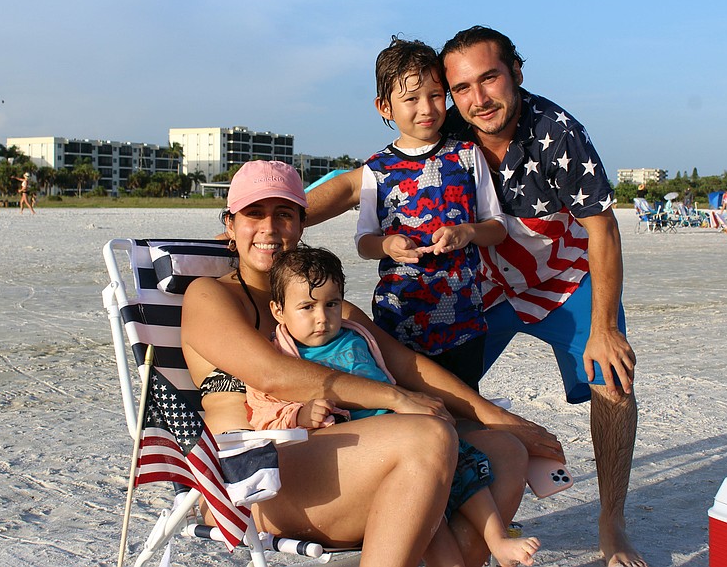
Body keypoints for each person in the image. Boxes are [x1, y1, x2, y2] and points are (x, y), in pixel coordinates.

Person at [305, 26, 645, 567]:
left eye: (490, 79)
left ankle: (613, 522)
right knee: (436, 390)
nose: (477, 98)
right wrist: (271, 221)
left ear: (517, 73)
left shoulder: (557, 132)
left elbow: (602, 227)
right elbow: (353, 185)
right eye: (461, 87)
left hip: (563, 276)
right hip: (486, 285)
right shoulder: (448, 119)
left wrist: (603, 328)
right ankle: (436, 505)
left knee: (613, 378)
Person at [183, 160, 562, 567]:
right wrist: (395, 398)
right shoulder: (209, 296)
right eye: (253, 214)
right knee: (429, 436)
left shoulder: (331, 308)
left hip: (340, 455)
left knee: (505, 452)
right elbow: (273, 374)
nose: (269, 228)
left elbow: (407, 365)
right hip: (255, 477)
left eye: (284, 215)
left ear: (302, 224)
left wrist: (498, 418)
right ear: (230, 224)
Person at [247, 246, 541, 567]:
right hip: (353, 459)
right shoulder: (282, 356)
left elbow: (394, 374)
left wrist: (419, 405)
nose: (322, 317)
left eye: (331, 304)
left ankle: (496, 538)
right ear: (278, 311)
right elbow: (263, 415)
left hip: (406, 442)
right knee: (432, 517)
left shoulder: (355, 336)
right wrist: (301, 414)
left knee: (465, 474)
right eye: (307, 307)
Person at [356, 37, 506, 390]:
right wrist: (387, 245)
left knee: (464, 405)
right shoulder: (376, 169)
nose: (426, 108)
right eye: (411, 99)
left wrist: (468, 232)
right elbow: (364, 242)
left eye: (436, 95)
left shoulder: (467, 155)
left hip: (464, 321)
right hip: (398, 320)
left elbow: (497, 227)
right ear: (384, 107)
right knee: (412, 407)